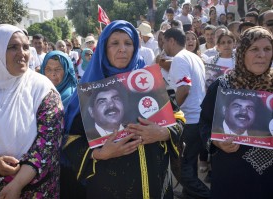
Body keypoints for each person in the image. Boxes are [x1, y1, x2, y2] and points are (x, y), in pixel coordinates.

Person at [62, 20, 185, 198]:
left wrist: (163, 133)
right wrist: (99, 154)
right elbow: (70, 141)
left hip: (157, 183)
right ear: (104, 48)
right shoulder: (89, 89)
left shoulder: (149, 80)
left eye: (128, 43)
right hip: (109, 187)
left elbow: (179, 118)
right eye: (115, 43)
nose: (123, 49)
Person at [0, 24, 63, 198]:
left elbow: (47, 145)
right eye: (12, 47)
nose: (22, 53)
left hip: (34, 190)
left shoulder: (43, 90)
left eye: (25, 47)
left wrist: (17, 184)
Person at [199, 26, 273, 199]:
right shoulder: (223, 85)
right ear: (241, 52)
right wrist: (216, 143)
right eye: (254, 49)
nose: (261, 54)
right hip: (231, 174)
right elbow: (204, 123)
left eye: (267, 49)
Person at [163, 28, 210, 199]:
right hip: (198, 119)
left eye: (164, 42)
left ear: (171, 41)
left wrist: (170, 112)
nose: (163, 46)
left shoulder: (180, 59)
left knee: (180, 167)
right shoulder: (194, 57)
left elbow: (184, 88)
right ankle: (189, 194)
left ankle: (205, 195)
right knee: (189, 162)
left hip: (189, 121)